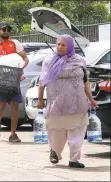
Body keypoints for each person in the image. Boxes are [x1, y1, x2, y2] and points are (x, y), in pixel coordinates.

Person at [37, 34, 98, 168]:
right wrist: (40, 100)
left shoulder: (80, 60)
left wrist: (91, 99)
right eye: (58, 44)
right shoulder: (49, 60)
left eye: (63, 45)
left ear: (70, 46)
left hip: (78, 103)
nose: (60, 47)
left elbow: (85, 82)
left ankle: (74, 159)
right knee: (55, 130)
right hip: (56, 103)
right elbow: (42, 82)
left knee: (77, 131)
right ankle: (55, 152)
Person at [0, 21, 29, 142]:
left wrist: (21, 67)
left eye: (8, 29)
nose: (6, 31)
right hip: (0, 78)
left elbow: (25, 58)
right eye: (4, 29)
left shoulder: (15, 43)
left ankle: (13, 134)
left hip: (13, 78)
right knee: (1, 103)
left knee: (14, 104)